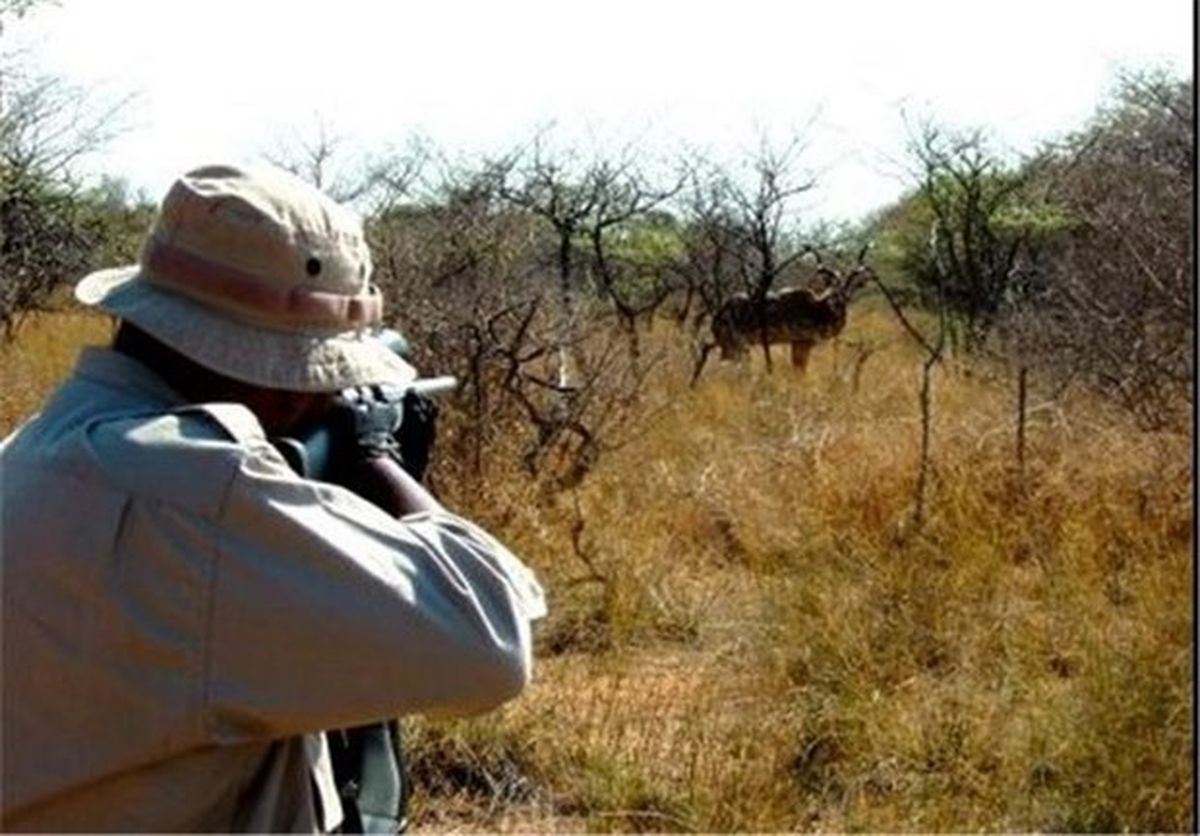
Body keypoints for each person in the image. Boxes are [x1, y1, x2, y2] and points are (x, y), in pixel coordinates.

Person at [0, 164, 547, 832]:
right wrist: (377, 458)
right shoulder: (201, 491)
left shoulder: (32, 451)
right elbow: (490, 643)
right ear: (289, 385)